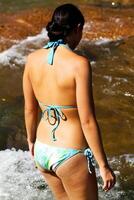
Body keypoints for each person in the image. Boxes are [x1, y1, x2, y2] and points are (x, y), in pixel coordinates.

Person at [23, 3, 116, 200]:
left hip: (42, 148)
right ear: (77, 29)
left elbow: (30, 109)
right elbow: (87, 120)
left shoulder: (32, 59)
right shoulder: (79, 64)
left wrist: (31, 140)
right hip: (70, 153)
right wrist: (103, 165)